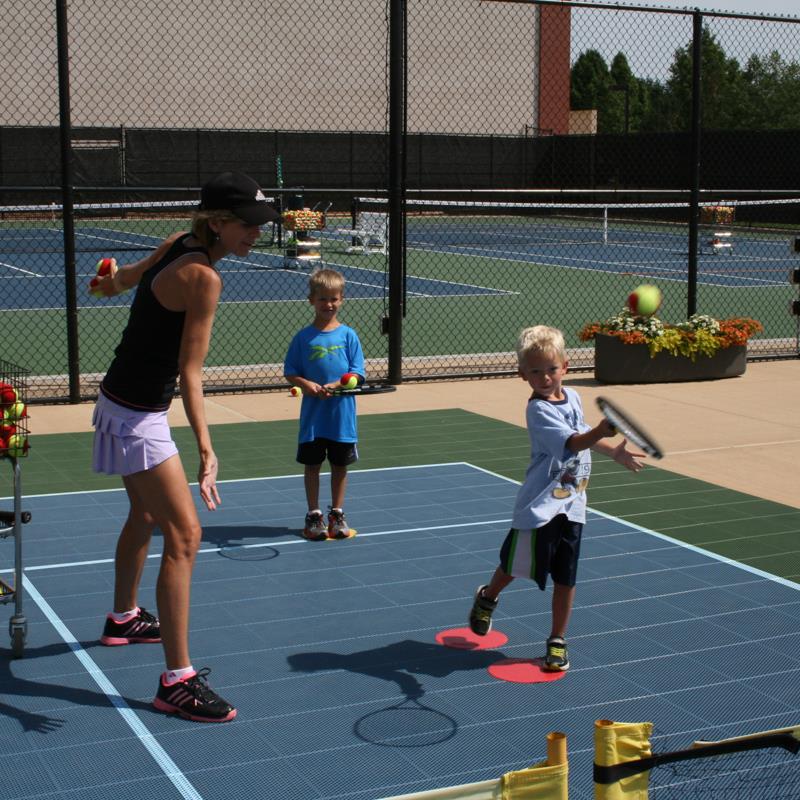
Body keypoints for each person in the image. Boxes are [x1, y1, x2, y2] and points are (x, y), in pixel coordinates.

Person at [90, 171, 279, 722]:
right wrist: (206, 450)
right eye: (247, 225)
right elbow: (190, 373)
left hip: (119, 402)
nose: (256, 234)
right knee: (185, 535)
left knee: (145, 514)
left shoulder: (179, 242)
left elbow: (123, 280)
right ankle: (177, 681)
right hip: (137, 417)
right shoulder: (204, 277)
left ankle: (124, 617)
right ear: (217, 223)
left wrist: (106, 285)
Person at [467, 325, 645, 672]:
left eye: (551, 369)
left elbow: (584, 435)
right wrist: (600, 431)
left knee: (566, 576)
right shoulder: (538, 411)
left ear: (565, 366)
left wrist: (613, 451)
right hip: (540, 507)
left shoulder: (574, 397)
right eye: (535, 371)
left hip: (573, 505)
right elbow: (572, 443)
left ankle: (557, 641)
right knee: (515, 566)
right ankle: (487, 597)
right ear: (523, 374)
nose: (545, 377)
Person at [284, 268, 365, 540]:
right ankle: (314, 515)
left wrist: (338, 385)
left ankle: (337, 514)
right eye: (322, 299)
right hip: (313, 419)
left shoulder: (349, 336)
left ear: (342, 299)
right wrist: (307, 385)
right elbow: (290, 372)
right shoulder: (302, 338)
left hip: (342, 418)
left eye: (333, 299)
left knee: (340, 467)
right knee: (312, 466)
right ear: (311, 300)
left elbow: (357, 373)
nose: (328, 304)